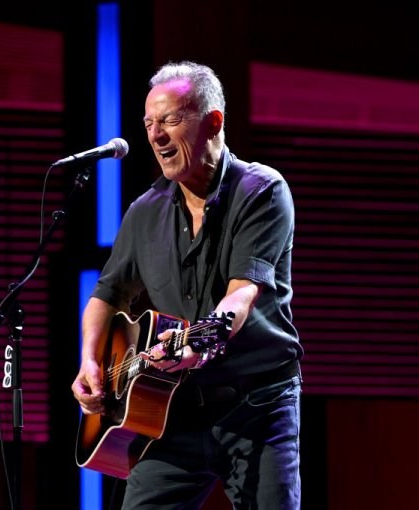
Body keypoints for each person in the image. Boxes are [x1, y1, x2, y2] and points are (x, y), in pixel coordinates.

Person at [72, 60, 303, 509]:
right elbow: (107, 293)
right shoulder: (145, 210)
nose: (156, 136)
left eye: (170, 120)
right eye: (149, 124)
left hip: (256, 406)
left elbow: (243, 291)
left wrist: (203, 338)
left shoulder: (261, 190)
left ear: (213, 122)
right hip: (170, 410)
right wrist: (89, 361)